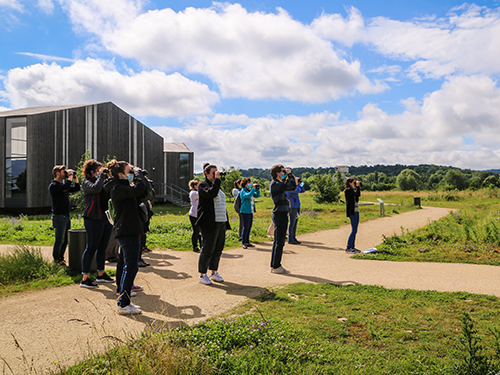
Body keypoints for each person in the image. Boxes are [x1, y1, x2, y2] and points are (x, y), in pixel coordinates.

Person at [104, 160, 146, 315]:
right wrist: (138, 173)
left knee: (128, 266)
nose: (131, 173)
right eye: (129, 171)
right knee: (131, 266)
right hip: (127, 231)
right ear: (121, 174)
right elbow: (140, 188)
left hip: (130, 229)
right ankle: (123, 304)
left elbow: (141, 192)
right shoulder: (117, 188)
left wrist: (136, 176)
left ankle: (125, 301)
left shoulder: (122, 187)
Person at [80, 160, 114, 288]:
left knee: (102, 248)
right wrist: (101, 176)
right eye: (99, 170)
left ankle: (101, 274)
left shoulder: (102, 180)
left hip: (105, 218)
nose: (102, 172)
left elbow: (109, 190)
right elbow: (97, 188)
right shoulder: (86, 182)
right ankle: (85, 278)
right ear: (92, 171)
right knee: (91, 248)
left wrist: (109, 176)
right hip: (92, 218)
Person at [196, 164, 230, 285]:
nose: (216, 175)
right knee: (208, 248)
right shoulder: (202, 185)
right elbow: (211, 194)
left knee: (218, 249)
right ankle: (202, 274)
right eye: (213, 173)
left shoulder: (217, 185)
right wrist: (217, 181)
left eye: (217, 172)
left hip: (221, 221)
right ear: (206, 173)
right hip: (210, 222)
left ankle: (214, 272)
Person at [49, 165, 80, 265]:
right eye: (64, 172)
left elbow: (77, 189)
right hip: (58, 216)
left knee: (66, 240)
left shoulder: (63, 186)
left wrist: (74, 178)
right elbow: (66, 187)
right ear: (57, 173)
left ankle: (61, 258)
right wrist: (69, 177)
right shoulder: (54, 186)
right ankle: (56, 259)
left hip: (66, 215)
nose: (66, 174)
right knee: (59, 239)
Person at [269, 165, 296, 274]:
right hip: (280, 215)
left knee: (278, 241)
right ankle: (276, 266)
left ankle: (274, 265)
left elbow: (287, 185)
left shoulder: (277, 184)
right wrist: (290, 175)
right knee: (279, 242)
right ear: (277, 173)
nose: (284, 172)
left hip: (280, 214)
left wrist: (287, 177)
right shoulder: (276, 184)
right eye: (282, 171)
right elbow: (292, 186)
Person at [239, 178, 260, 249]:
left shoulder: (249, 191)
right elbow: (248, 195)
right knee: (245, 227)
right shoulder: (242, 191)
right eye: (248, 183)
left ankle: (247, 242)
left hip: (250, 211)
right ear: (244, 184)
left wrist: (257, 189)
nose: (249, 184)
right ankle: (243, 242)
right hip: (245, 211)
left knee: (249, 226)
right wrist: (253, 189)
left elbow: (257, 195)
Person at [286, 177, 306, 244]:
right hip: (292, 206)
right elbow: (297, 190)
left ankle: (293, 237)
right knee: (292, 222)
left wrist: (300, 184)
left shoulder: (295, 186)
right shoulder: (288, 187)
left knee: (295, 222)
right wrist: (297, 184)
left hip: (297, 205)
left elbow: (302, 190)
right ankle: (290, 238)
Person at [345, 178, 362, 254]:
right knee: (353, 230)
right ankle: (348, 247)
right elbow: (356, 194)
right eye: (354, 182)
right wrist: (357, 187)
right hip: (352, 212)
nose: (355, 183)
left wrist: (356, 188)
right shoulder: (348, 191)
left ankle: (352, 247)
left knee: (355, 230)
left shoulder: (352, 190)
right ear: (350, 183)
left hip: (356, 211)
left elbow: (357, 197)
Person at [188, 179, 202, 252]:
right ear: (195, 186)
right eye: (198, 185)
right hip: (193, 214)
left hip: (199, 214)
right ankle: (195, 246)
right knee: (196, 231)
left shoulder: (197, 192)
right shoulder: (193, 193)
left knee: (201, 231)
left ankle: (201, 246)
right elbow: (201, 194)